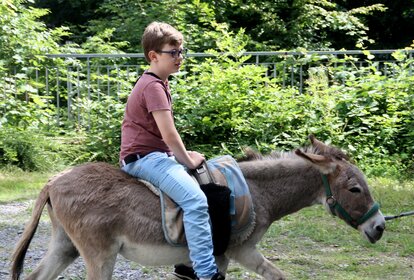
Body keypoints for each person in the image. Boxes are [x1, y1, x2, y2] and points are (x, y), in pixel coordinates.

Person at [119, 22, 224, 280]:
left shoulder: (156, 82)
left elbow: (163, 137)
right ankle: (205, 273)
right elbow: (169, 134)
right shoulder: (153, 87)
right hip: (145, 159)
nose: (180, 57)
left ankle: (187, 264)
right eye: (173, 52)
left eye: (181, 51)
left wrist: (184, 154)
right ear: (153, 56)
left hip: (153, 155)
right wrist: (187, 159)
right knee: (197, 202)